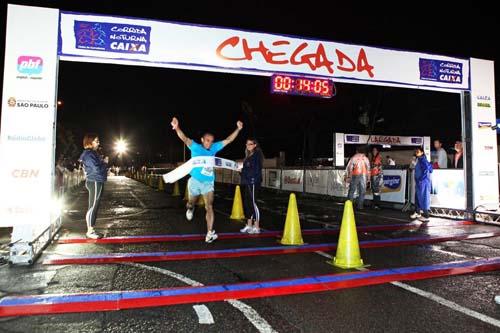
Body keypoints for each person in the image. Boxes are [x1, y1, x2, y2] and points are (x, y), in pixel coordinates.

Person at [171, 117, 243, 243]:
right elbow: (184, 138)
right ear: (202, 140)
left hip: (208, 182)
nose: (209, 143)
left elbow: (228, 140)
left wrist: (238, 128)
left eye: (211, 141)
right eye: (207, 141)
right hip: (195, 181)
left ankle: (209, 233)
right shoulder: (195, 147)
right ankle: (190, 208)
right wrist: (177, 128)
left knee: (209, 206)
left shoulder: (214, 148)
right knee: (191, 202)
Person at [79, 133, 108, 239]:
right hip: (94, 180)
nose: (98, 142)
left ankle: (91, 229)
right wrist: (104, 163)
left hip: (96, 180)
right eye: (96, 140)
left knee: (94, 206)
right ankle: (90, 231)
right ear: (90, 142)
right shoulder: (89, 154)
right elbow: (96, 169)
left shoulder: (91, 153)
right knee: (93, 206)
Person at [240, 138, 264, 234]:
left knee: (253, 203)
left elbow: (255, 171)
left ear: (255, 145)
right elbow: (246, 171)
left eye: (250, 144)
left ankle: (257, 226)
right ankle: (249, 225)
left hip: (253, 182)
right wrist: (240, 170)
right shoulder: (248, 156)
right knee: (247, 203)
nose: (248, 146)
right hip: (247, 182)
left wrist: (244, 171)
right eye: (247, 144)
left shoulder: (256, 156)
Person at [410, 146, 433, 222]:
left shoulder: (422, 159)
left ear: (422, 152)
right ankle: (417, 212)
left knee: (423, 198)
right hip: (420, 182)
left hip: (423, 183)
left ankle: (426, 216)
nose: (416, 153)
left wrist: (421, 179)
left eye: (418, 151)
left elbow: (426, 170)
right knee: (417, 197)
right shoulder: (418, 159)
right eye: (416, 151)